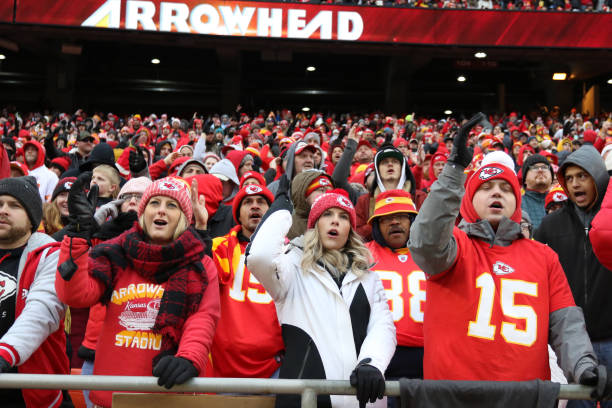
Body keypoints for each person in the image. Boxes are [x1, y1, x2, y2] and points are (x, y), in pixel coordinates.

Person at [407, 114, 604, 391]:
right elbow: (424, 243)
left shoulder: (544, 257)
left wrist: (583, 365)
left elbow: (565, 322)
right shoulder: (452, 246)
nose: (496, 193)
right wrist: (453, 169)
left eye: (505, 189)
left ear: (517, 202)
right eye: (485, 188)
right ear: (470, 200)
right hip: (453, 398)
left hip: (524, 398)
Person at [55, 176, 220, 408]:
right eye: (154, 203)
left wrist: (189, 358)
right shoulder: (115, 252)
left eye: (171, 206)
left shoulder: (200, 264)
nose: (161, 211)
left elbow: (203, 318)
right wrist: (76, 238)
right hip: (112, 393)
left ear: (184, 217)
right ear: (143, 212)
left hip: (167, 392)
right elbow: (76, 295)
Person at [247, 186, 396, 408]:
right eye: (327, 214)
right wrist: (282, 208)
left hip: (362, 399)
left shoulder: (369, 277)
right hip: (304, 399)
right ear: (314, 224)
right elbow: (259, 256)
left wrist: (372, 363)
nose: (335, 221)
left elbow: (383, 327)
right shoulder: (291, 266)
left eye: (343, 217)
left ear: (350, 229)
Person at [534, 145, 612, 408]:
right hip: (572, 348)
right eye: (569, 178)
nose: (575, 184)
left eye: (582, 176)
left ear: (598, 177)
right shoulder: (549, 226)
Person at [0, 176, 70, 407]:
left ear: (32, 217)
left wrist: (5, 353)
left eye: (14, 205)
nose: (4, 211)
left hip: (31, 391)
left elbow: (43, 309)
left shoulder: (51, 255)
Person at [210, 184, 283, 378]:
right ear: (238, 215)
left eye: (261, 202)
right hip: (223, 368)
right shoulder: (218, 247)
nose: (255, 206)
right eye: (248, 202)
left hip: (275, 368)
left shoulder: (289, 252)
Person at [365, 190, 424, 406]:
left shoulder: (432, 254)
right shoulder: (363, 256)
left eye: (401, 216)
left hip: (427, 359)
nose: (395, 222)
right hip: (378, 361)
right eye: (387, 218)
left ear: (412, 221)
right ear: (377, 225)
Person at [288, 170, 333, 239]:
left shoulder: (335, 222)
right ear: (304, 195)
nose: (327, 194)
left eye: (331, 191)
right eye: (321, 190)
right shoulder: (288, 227)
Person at [521, 154, 554, 229]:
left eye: (544, 167)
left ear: (552, 178)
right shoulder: (517, 203)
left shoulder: (563, 202)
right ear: (525, 180)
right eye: (535, 167)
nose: (540, 170)